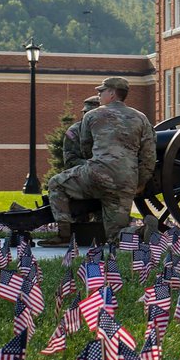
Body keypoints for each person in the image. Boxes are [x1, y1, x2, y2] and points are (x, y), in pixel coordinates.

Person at [47, 77, 156, 244]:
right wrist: (139, 181)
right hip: (126, 181)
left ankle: (64, 234)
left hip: (96, 174)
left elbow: (86, 149)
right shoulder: (141, 118)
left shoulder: (92, 115)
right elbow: (149, 155)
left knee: (56, 183)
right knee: (115, 236)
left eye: (101, 92)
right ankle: (141, 231)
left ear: (112, 93)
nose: (99, 95)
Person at [40, 95, 101, 246]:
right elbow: (71, 160)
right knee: (57, 184)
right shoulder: (74, 132)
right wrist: (93, 166)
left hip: (107, 179)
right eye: (86, 114)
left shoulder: (110, 131)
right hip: (84, 176)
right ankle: (64, 233)